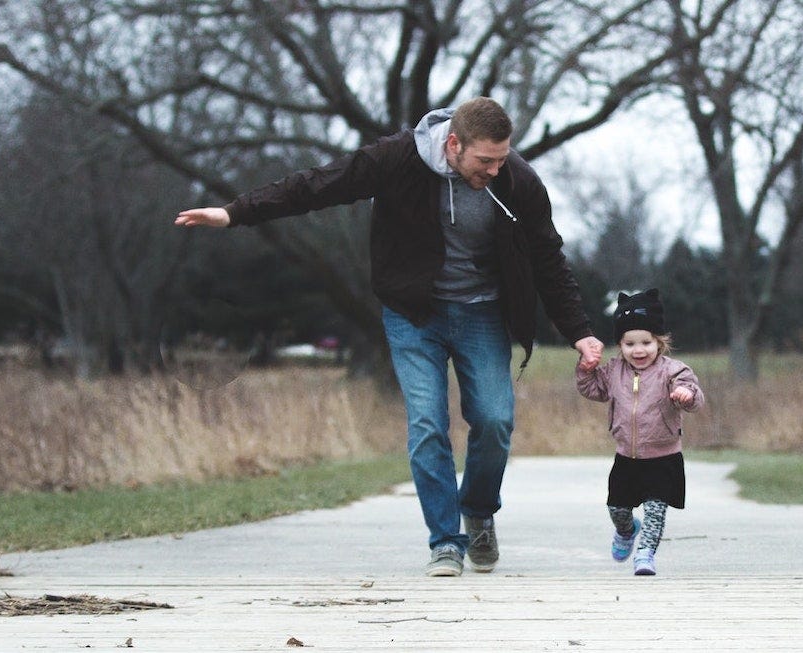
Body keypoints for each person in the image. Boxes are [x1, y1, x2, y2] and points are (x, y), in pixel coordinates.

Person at [175, 97, 604, 577]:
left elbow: (548, 258)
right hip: (412, 312)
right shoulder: (397, 158)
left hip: (481, 312)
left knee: (494, 420)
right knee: (427, 425)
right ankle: (445, 541)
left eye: (502, 158)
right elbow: (319, 185)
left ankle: (479, 511)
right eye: (485, 161)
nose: (494, 169)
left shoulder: (517, 180)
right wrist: (235, 213)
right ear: (454, 143)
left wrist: (580, 334)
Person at [575, 289, 703, 576]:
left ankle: (645, 555)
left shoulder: (673, 371)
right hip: (626, 457)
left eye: (646, 342)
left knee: (656, 511)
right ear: (620, 345)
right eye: (630, 343)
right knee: (618, 509)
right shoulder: (613, 371)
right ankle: (627, 529)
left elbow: (695, 396)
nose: (639, 350)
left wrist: (686, 393)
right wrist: (585, 370)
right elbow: (591, 389)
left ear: (659, 342)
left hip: (663, 457)